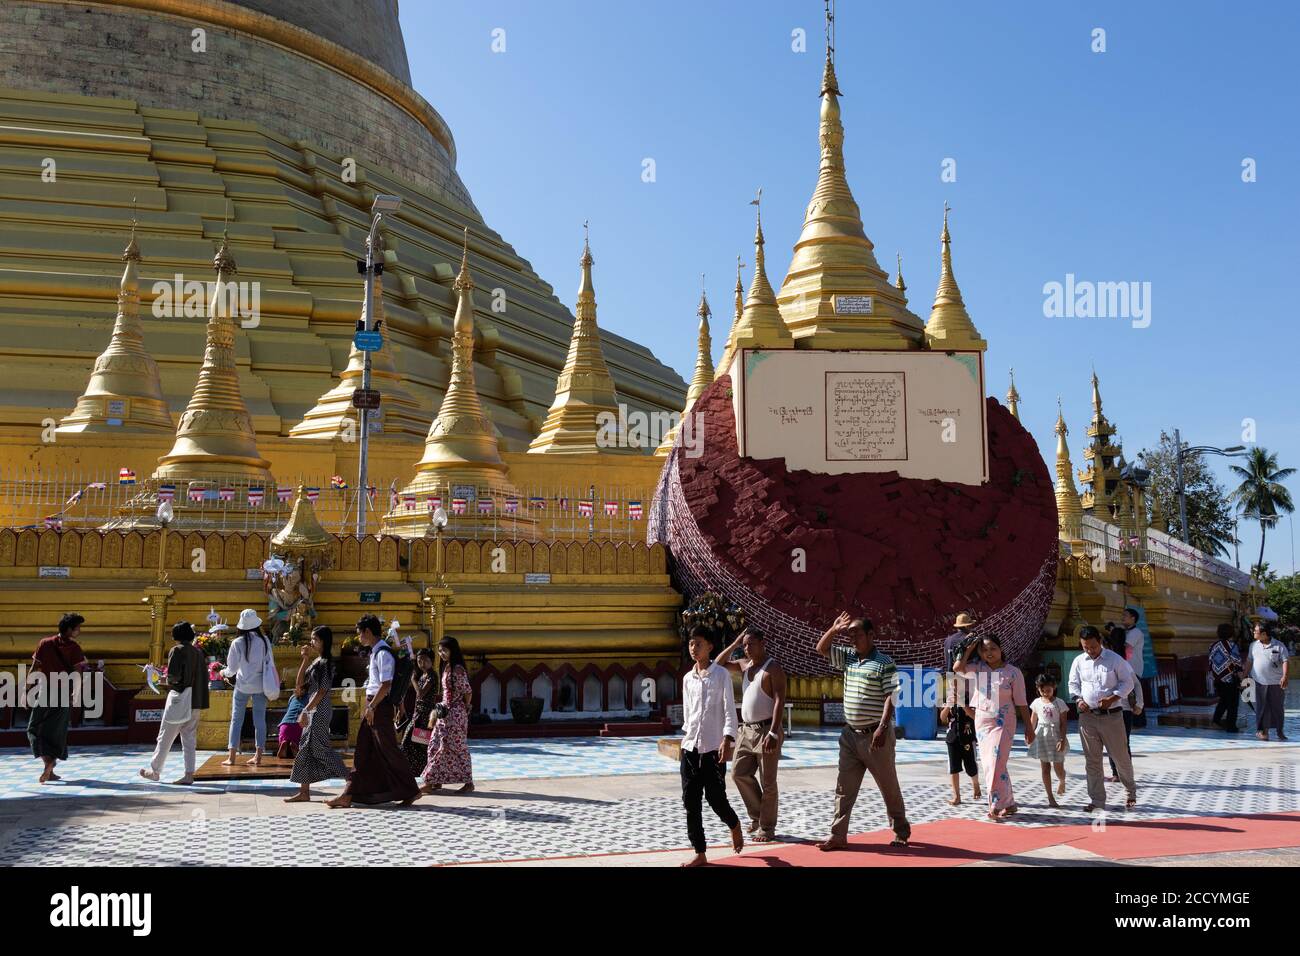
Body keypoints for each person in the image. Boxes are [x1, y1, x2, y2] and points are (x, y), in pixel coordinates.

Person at [816, 612, 911, 849]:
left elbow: (891, 696)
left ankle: (901, 830)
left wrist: (882, 727)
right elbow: (821, 648)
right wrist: (834, 629)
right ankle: (838, 835)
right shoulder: (848, 657)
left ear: (871, 635)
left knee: (888, 785)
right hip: (850, 736)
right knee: (844, 788)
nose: (853, 639)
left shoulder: (884, 662)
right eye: (850, 635)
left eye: (857, 634)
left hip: (875, 736)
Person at [327, 615, 421, 808]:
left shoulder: (382, 654)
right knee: (365, 749)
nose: (359, 637)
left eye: (359, 633)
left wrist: (371, 707)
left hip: (378, 706)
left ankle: (411, 789)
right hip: (375, 705)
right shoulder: (376, 652)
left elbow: (386, 685)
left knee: (388, 748)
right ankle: (351, 794)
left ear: (368, 632)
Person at [678, 625, 744, 866]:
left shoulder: (721, 675)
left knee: (716, 799)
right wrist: (685, 742)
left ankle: (734, 824)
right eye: (691, 643)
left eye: (698, 643)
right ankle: (700, 851)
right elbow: (688, 714)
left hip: (714, 750)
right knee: (690, 801)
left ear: (710, 646)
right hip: (690, 748)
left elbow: (729, 710)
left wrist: (727, 739)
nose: (694, 648)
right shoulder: (687, 679)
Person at [714, 627, 786, 842]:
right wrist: (734, 644)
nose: (747, 648)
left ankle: (766, 827)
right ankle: (756, 815)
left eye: (750, 644)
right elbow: (717, 665)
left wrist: (773, 732)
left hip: (766, 731)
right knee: (738, 773)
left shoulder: (772, 668)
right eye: (745, 645)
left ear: (762, 643)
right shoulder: (744, 666)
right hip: (746, 730)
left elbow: (780, 700)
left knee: (768, 782)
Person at [954, 634, 1033, 820]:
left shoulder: (1013, 672)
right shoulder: (977, 669)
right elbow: (957, 669)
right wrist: (967, 649)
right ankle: (1009, 803)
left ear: (1001, 649)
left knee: (995, 762)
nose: (989, 653)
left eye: (993, 648)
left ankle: (995, 806)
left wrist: (1029, 728)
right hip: (982, 721)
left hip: (1004, 722)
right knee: (992, 763)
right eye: (984, 650)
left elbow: (1021, 702)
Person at [1068, 626, 1138, 812]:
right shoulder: (1079, 661)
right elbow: (1073, 684)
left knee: (1120, 757)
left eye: (1093, 646)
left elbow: (1128, 682)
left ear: (1100, 641)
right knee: (1092, 761)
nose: (1090, 651)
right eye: (1085, 647)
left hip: (1112, 717)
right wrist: (1078, 699)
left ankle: (1130, 791)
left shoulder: (1115, 660)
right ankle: (1097, 801)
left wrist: (1113, 698)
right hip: (1087, 718)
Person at [139, 621, 209, 785]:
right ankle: (189, 774)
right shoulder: (198, 653)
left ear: (175, 636)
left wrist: (158, 677)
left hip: (179, 700)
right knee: (189, 739)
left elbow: (174, 677)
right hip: (196, 701)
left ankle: (155, 771)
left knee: (165, 737)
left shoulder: (176, 650)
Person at [286, 626, 348, 803]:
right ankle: (304, 792)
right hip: (313, 709)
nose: (312, 642)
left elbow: (322, 691)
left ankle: (352, 781)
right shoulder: (316, 662)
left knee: (321, 749)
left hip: (319, 710)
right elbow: (299, 686)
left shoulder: (326, 663)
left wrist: (306, 710)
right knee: (305, 749)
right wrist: (305, 660)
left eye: (315, 639)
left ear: (323, 641)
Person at [27, 612, 92, 783]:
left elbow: (34, 668)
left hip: (44, 691)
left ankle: (47, 764)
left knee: (34, 729)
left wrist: (26, 690)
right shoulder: (75, 648)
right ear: (70, 630)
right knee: (57, 732)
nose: (79, 631)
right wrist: (76, 695)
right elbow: (78, 674)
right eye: (77, 628)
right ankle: (50, 766)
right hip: (64, 694)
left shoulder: (45, 643)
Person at [420, 638, 475, 794]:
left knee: (455, 748)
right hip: (443, 713)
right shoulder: (447, 667)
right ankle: (436, 781)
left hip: (455, 715)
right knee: (434, 746)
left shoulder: (457, 669)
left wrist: (465, 707)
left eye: (444, 650)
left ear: (453, 651)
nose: (441, 653)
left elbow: (468, 692)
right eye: (440, 650)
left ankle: (465, 782)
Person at [220, 608, 273, 767]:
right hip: (261, 686)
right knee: (260, 721)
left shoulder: (237, 643)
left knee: (236, 720)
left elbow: (232, 669)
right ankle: (258, 756)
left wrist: (222, 672)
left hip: (242, 685)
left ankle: (232, 757)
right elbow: (270, 663)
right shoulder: (264, 640)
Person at [1104, 623, 1143, 781]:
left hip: (1123, 709)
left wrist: (1139, 704)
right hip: (1106, 709)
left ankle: (1125, 773)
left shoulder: (1121, 663)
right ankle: (1116, 772)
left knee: (1122, 743)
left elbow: (1136, 684)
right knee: (1110, 742)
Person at [1027, 673, 1069, 808]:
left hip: (1056, 735)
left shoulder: (1060, 703)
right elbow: (1033, 720)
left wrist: (1062, 739)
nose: (1046, 693)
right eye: (1042, 690)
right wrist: (1029, 733)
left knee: (1058, 767)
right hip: (1041, 736)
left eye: (1049, 690)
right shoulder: (1036, 703)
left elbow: (1063, 723)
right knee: (1045, 767)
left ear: (1054, 687)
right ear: (1038, 689)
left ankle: (1062, 780)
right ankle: (1050, 797)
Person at [940, 669, 981, 806]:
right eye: (953, 685)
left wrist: (962, 704)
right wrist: (948, 706)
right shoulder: (948, 699)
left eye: (958, 684)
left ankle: (975, 784)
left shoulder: (971, 699)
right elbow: (942, 719)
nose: (955, 687)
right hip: (952, 738)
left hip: (968, 738)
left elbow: (975, 717)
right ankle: (956, 795)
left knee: (971, 766)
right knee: (953, 767)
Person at [399, 648, 440, 775]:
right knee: (413, 742)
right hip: (418, 714)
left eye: (425, 660)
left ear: (431, 661)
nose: (422, 663)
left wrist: (413, 680)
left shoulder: (432, 675)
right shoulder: (422, 675)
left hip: (426, 715)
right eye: (419, 660)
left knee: (420, 742)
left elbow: (421, 694)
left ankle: (425, 770)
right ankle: (415, 770)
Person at [1248, 621, 1289, 741]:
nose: (1254, 633)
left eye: (1256, 631)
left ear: (1264, 634)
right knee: (1261, 708)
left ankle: (1279, 731)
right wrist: (1244, 675)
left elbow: (1285, 660)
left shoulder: (1279, 645)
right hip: (1259, 682)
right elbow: (1249, 661)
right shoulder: (1253, 645)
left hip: (1276, 682)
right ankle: (1263, 732)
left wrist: (1285, 676)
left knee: (1277, 708)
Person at [1209, 623, 1244, 732]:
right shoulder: (1232, 646)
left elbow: (1210, 662)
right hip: (1229, 679)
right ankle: (1231, 726)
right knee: (1233, 704)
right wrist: (1242, 679)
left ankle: (1216, 721)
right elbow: (1237, 664)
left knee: (1223, 701)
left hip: (1217, 679)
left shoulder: (1213, 645)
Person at [276, 689, 308, 760]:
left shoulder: (293, 696)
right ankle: (296, 746)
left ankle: (283, 742)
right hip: (299, 723)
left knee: (284, 737)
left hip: (285, 724)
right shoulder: (312, 697)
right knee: (300, 739)